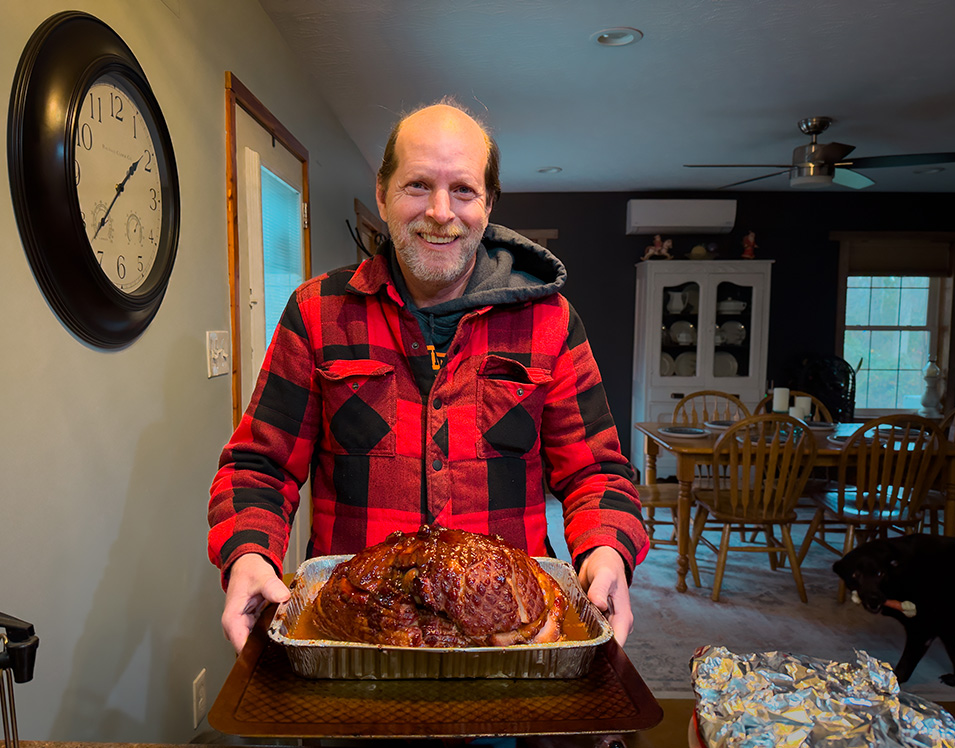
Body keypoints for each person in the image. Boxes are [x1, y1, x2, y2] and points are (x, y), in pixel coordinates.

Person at [208, 98, 647, 653]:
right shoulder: (317, 313)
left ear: (487, 205)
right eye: (418, 185)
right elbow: (258, 466)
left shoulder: (550, 323)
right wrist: (248, 553)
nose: (441, 212)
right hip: (358, 641)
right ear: (382, 193)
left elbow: (598, 473)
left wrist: (607, 551)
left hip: (511, 645)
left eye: (463, 190)